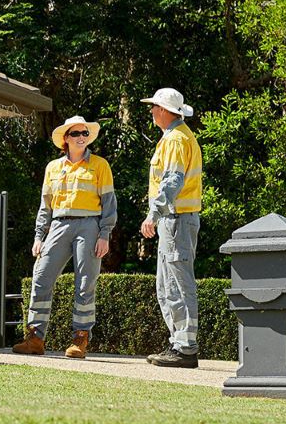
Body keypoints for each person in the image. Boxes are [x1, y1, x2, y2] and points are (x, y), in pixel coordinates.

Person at [13, 115, 115, 359]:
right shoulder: (53, 167)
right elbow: (45, 206)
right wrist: (39, 236)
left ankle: (80, 339)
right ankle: (35, 337)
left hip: (90, 224)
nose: (82, 137)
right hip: (58, 224)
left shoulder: (100, 165)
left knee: (85, 283)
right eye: (76, 133)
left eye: (84, 134)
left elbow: (109, 204)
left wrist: (105, 234)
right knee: (41, 277)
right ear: (65, 139)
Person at [139, 87, 203, 367]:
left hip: (176, 219)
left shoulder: (176, 139)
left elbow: (172, 182)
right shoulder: (176, 137)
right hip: (175, 220)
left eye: (154, 107)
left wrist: (153, 214)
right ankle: (179, 343)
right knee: (167, 284)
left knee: (176, 283)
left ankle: (185, 347)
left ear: (165, 111)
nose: (151, 111)